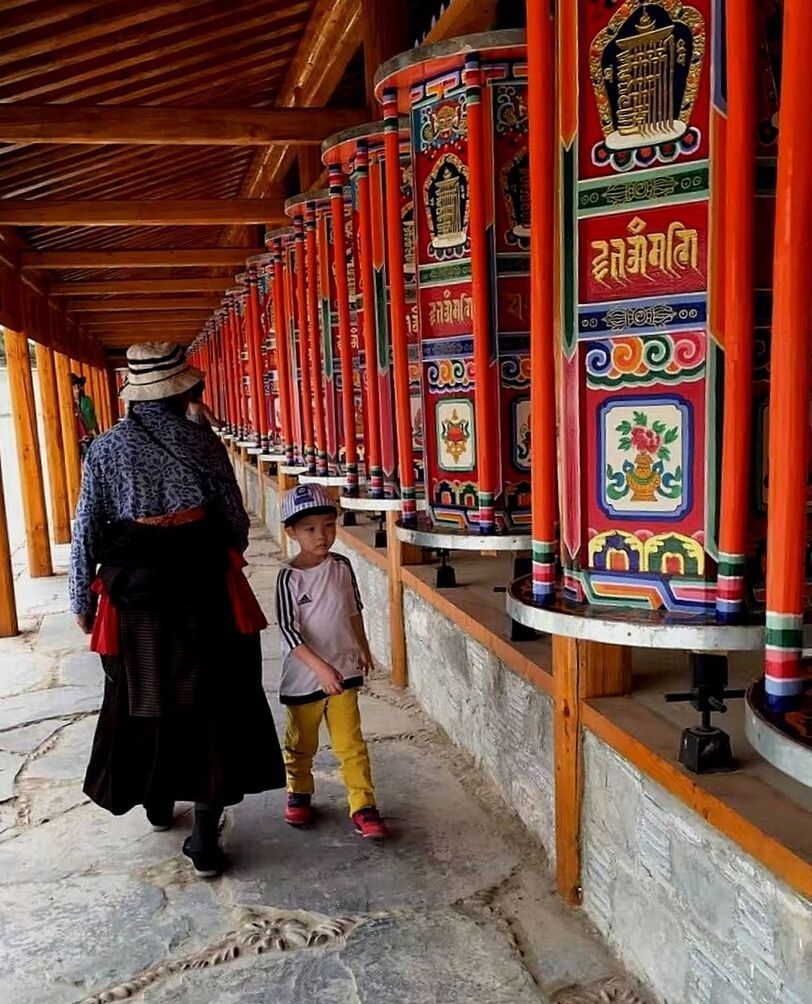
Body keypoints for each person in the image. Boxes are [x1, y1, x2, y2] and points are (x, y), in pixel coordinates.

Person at [69, 341, 285, 878]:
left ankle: (158, 803)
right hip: (204, 591)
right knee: (215, 701)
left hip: (136, 599)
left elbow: (87, 529)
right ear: (185, 389)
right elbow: (234, 521)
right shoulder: (203, 443)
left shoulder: (104, 449)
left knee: (141, 697)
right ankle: (206, 840)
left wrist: (80, 597)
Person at [275, 483, 388, 840]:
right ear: (291, 532)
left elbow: (353, 610)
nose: (321, 536)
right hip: (305, 677)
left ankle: (363, 804)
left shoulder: (342, 566)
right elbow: (290, 633)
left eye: (328, 526)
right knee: (300, 743)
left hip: (344, 671)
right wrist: (320, 668)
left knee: (350, 742)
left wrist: (363, 646)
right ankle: (300, 790)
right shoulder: (289, 577)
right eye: (309, 529)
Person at [71, 373, 99, 457]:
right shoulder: (67, 405)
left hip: (90, 434)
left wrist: (97, 434)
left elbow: (93, 418)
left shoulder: (86, 400)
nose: (77, 390)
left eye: (78, 387)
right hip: (76, 437)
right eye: (74, 388)